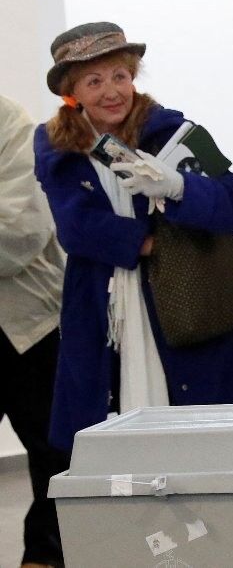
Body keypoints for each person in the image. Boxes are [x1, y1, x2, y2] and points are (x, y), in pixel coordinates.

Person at [33, 22, 233, 454]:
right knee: (114, 449)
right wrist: (153, 242)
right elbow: (75, 228)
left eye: (119, 76)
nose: (111, 91)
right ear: (71, 91)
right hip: (103, 313)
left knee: (210, 444)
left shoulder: (172, 130)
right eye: (94, 81)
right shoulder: (55, 144)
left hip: (188, 303)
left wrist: (178, 187)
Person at [0, 94, 70, 568]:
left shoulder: (9, 122)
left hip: (29, 324)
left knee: (55, 455)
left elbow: (20, 233)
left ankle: (43, 557)